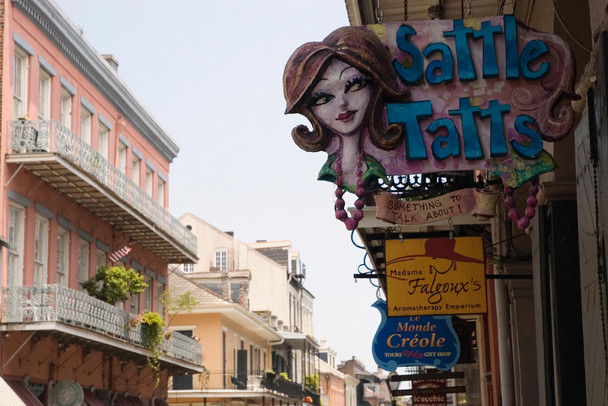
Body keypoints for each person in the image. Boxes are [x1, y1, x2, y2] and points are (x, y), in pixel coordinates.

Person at [283, 26, 408, 230]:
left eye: (355, 85)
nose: (342, 102)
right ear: (309, 111)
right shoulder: (333, 168)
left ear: (376, 84)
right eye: (323, 98)